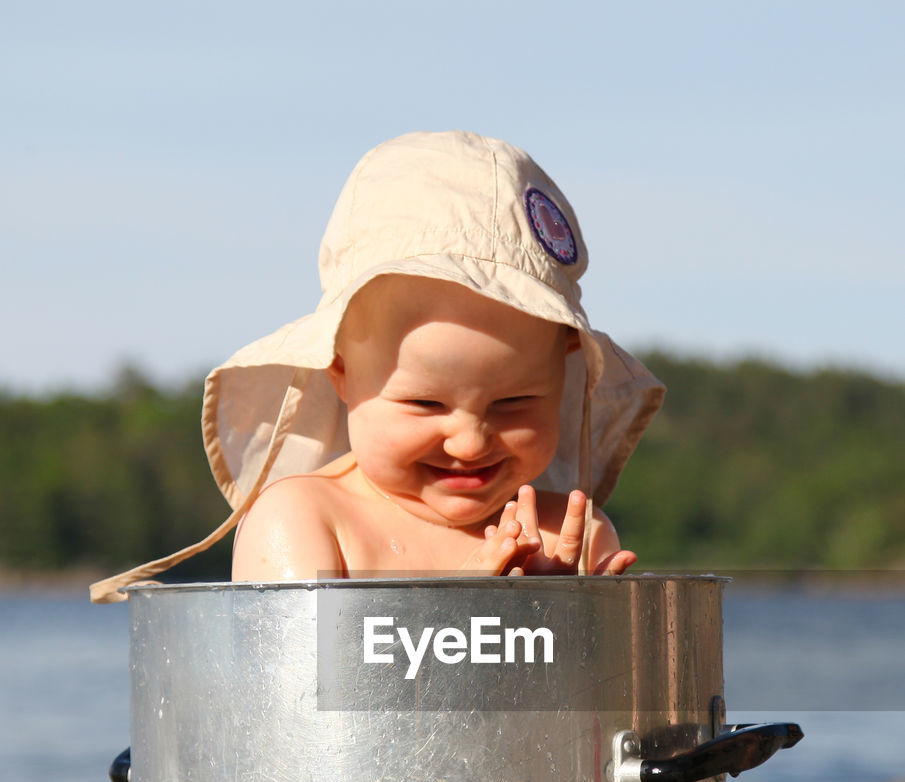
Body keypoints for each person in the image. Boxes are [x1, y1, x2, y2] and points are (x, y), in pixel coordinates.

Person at [90, 131, 664, 602]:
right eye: (426, 404)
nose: (468, 442)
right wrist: (461, 614)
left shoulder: (571, 539)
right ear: (338, 370)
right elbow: (291, 711)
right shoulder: (306, 521)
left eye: (513, 404)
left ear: (564, 373)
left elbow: (596, 726)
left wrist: (561, 619)